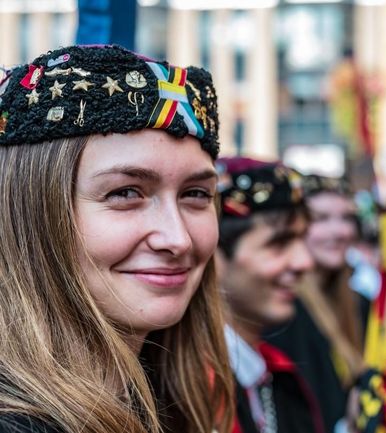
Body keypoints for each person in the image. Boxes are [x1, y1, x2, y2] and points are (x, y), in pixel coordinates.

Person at [0, 45, 232, 433]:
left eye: (196, 194)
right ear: (31, 213)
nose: (178, 240)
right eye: (125, 193)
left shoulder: (175, 403)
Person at [215, 158, 324, 433]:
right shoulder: (183, 391)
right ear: (214, 257)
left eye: (302, 240)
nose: (304, 262)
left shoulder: (281, 375)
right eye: (279, 243)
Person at [264, 175, 365, 433]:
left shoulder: (360, 304)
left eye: (346, 218)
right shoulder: (283, 312)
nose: (339, 231)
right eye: (321, 219)